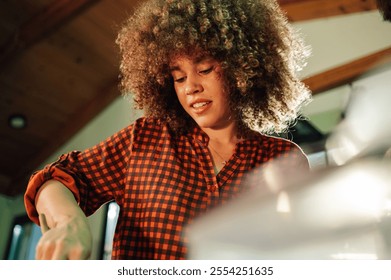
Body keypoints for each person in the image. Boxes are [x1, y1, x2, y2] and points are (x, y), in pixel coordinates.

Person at [24, 0, 312, 260]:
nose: (191, 87)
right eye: (178, 77)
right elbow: (60, 178)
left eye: (205, 69)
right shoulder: (146, 138)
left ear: (243, 67)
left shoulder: (282, 157)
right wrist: (69, 224)